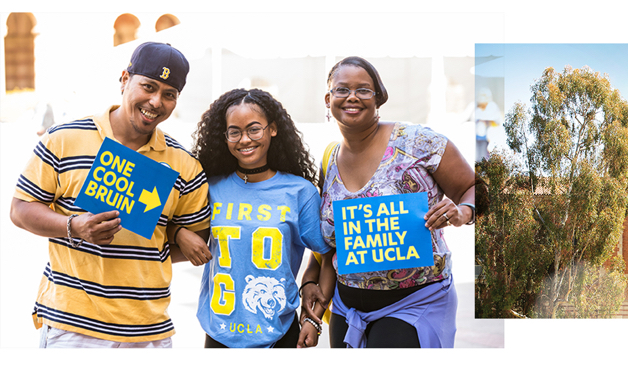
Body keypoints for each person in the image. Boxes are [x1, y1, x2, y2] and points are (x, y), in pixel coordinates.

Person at [11, 42, 212, 348]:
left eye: (169, 94)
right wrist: (73, 227)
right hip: (72, 330)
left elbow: (194, 243)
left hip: (148, 334)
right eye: (148, 86)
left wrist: (179, 231)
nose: (156, 101)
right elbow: (21, 209)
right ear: (124, 79)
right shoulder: (64, 139)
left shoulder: (185, 164)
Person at [304, 56, 477, 348]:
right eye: (342, 90)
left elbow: (475, 188)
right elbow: (335, 240)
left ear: (378, 98)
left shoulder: (418, 143)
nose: (352, 97)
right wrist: (311, 288)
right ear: (328, 98)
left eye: (363, 90)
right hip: (347, 310)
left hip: (412, 306)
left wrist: (463, 211)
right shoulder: (329, 159)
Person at [172, 88, 335, 348]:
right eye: (234, 132)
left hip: (279, 331)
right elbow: (167, 226)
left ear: (272, 129)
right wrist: (179, 233)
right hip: (219, 331)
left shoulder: (300, 192)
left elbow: (327, 255)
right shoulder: (210, 188)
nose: (244, 139)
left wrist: (312, 318)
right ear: (223, 137)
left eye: (254, 129)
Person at [468, 87, 503, 161]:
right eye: (480, 95)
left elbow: (497, 119)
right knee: (477, 157)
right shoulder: (474, 106)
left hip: (487, 139)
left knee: (484, 158)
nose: (482, 98)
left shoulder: (492, 106)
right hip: (476, 138)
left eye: (484, 96)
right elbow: (469, 118)